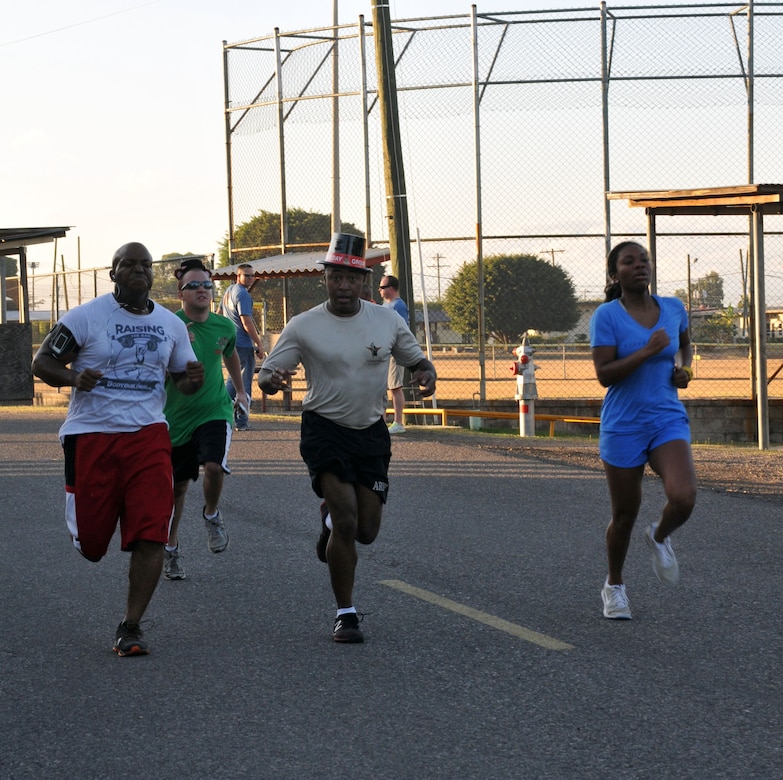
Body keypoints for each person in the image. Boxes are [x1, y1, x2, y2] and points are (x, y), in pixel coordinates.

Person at [258, 233, 436, 643]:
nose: (342, 285)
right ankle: (346, 612)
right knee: (346, 517)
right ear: (326, 279)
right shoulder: (303, 326)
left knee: (366, 530)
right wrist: (272, 380)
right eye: (335, 277)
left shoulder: (387, 320)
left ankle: (328, 519)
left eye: (351, 279)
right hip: (324, 429)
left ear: (364, 282)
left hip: (370, 433)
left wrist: (426, 375)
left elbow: (417, 361)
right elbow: (269, 374)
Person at [31, 242, 204, 656]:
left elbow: (182, 381)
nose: (139, 271)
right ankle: (87, 533)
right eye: (129, 265)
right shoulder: (86, 317)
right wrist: (74, 379)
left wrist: (193, 379)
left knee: (152, 533)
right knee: (92, 545)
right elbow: (42, 364)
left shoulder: (171, 324)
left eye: (146, 265)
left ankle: (131, 626)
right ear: (114, 273)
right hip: (92, 434)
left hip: (148, 434)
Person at [590, 241, 697, 620]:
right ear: (614, 273)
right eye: (629, 261)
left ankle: (659, 535)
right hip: (623, 425)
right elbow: (604, 375)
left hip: (666, 416)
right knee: (624, 515)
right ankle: (614, 586)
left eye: (644, 260)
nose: (640, 266)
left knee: (684, 496)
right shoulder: (606, 316)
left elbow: (684, 346)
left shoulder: (673, 308)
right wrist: (648, 352)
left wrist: (684, 369)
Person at [162, 259, 247, 580]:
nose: (202, 290)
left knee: (214, 465)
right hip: (175, 418)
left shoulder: (224, 326)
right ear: (180, 293)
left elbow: (230, 354)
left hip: (214, 410)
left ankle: (211, 514)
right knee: (177, 489)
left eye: (207, 285)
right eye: (193, 286)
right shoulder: (169, 325)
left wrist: (240, 391)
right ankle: (170, 550)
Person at [219, 263, 265, 431]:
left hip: (230, 342)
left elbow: (219, 314)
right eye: (247, 275)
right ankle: (241, 421)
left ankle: (217, 412)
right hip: (243, 344)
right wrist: (259, 344)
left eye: (252, 275)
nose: (251, 278)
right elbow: (246, 322)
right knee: (244, 383)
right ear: (238, 276)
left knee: (233, 380)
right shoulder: (243, 294)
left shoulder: (228, 291)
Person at [378, 274, 410, 434]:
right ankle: (380, 421)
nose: (380, 290)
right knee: (381, 387)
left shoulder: (398, 305)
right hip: (383, 351)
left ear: (390, 289)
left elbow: (401, 329)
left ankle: (398, 422)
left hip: (394, 351)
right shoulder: (385, 306)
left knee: (395, 386)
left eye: (382, 287)